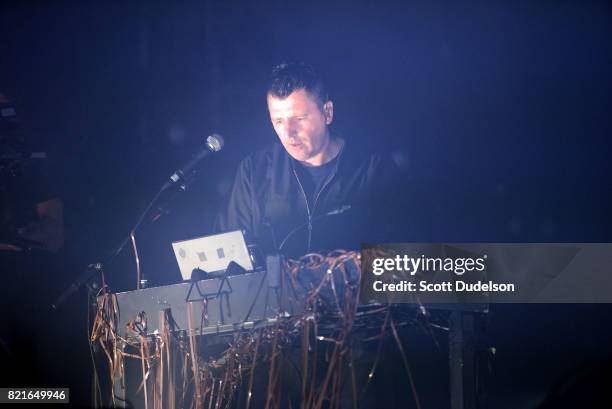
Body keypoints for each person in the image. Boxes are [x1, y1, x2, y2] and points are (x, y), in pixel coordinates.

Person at [214, 62, 401, 258]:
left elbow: (402, 260)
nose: (288, 133)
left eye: (299, 119)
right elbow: (225, 258)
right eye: (278, 121)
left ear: (327, 113)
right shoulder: (254, 171)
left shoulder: (374, 169)